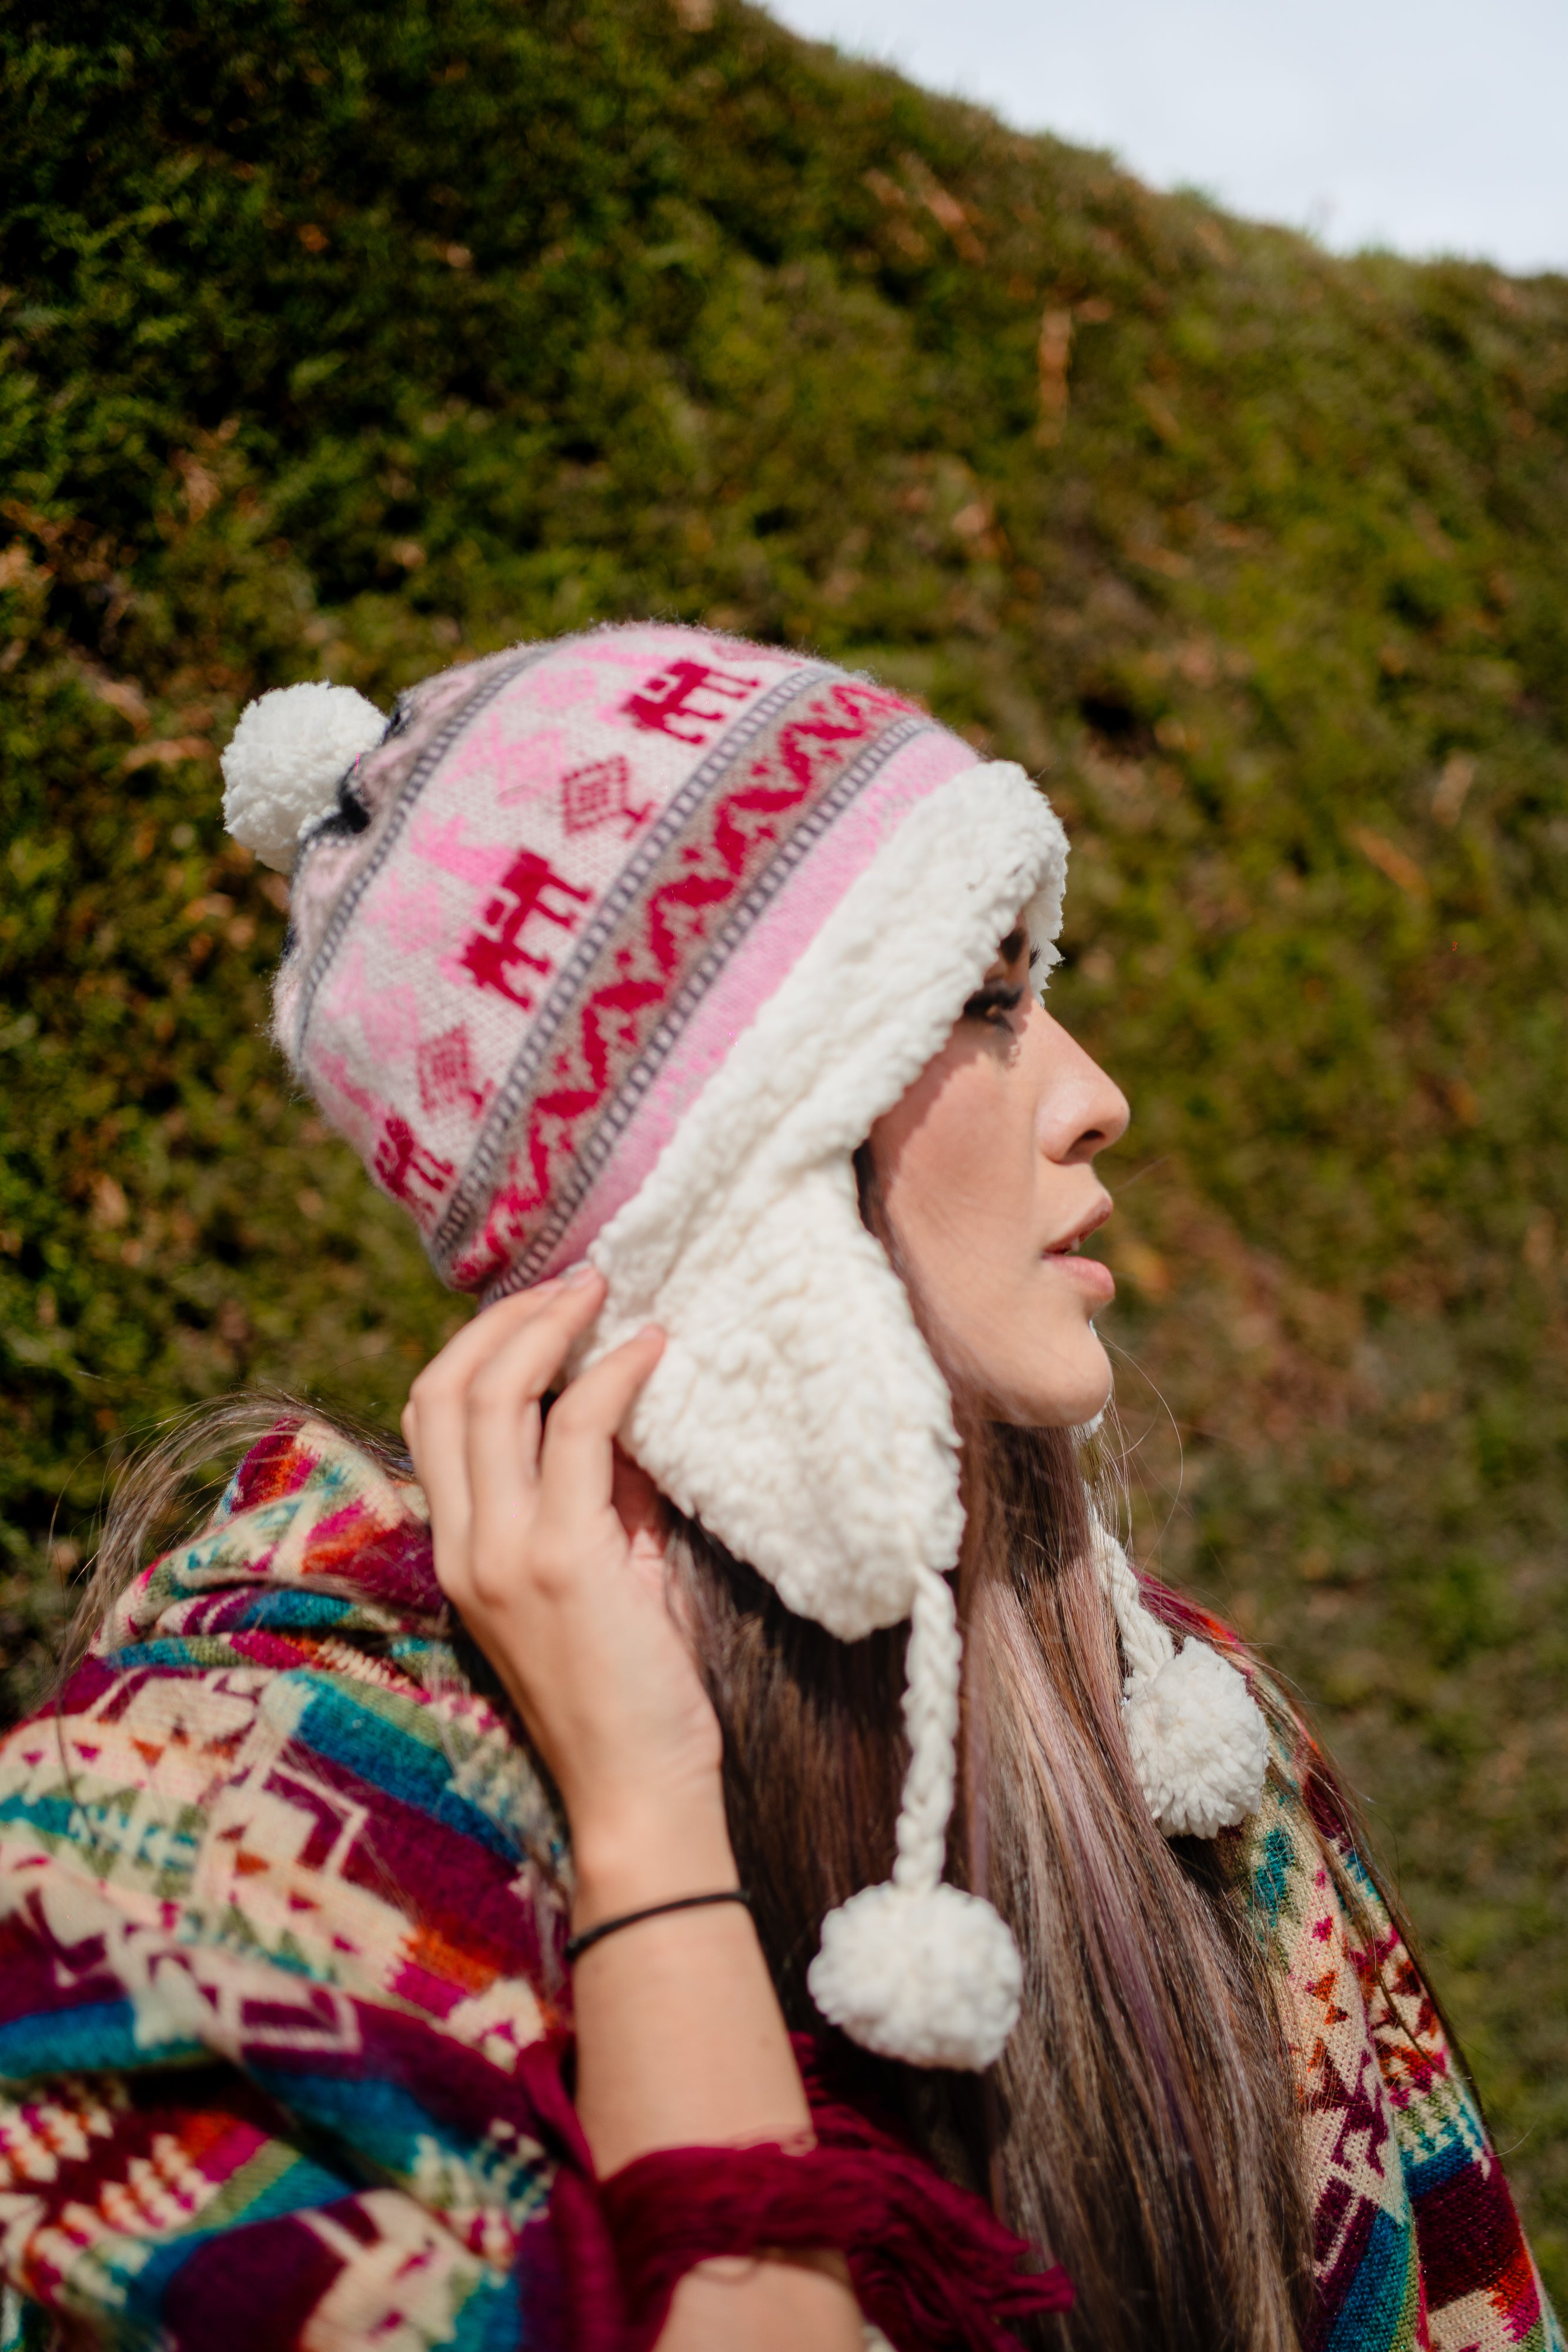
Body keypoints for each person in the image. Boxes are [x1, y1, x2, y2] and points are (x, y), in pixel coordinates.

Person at [0, 624, 1558, 2352]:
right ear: (733, 1168)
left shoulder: (1175, 1741)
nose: (1098, 1097)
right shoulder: (202, 1838)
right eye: (979, 1000)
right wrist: (650, 1815)